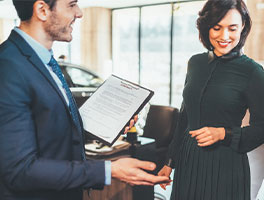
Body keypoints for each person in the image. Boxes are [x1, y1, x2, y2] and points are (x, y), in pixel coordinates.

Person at [0, 0, 169, 199]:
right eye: (72, 5)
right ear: (42, 10)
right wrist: (109, 170)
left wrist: (108, 122)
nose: (79, 13)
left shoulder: (46, 60)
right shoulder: (8, 66)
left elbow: (49, 127)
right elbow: (20, 171)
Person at [158, 0, 264, 199]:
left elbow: (263, 128)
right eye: (217, 27)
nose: (224, 36)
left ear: (243, 27)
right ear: (206, 27)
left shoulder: (252, 71)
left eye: (232, 28)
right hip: (188, 159)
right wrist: (169, 162)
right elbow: (184, 118)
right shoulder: (195, 63)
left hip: (225, 165)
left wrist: (223, 134)